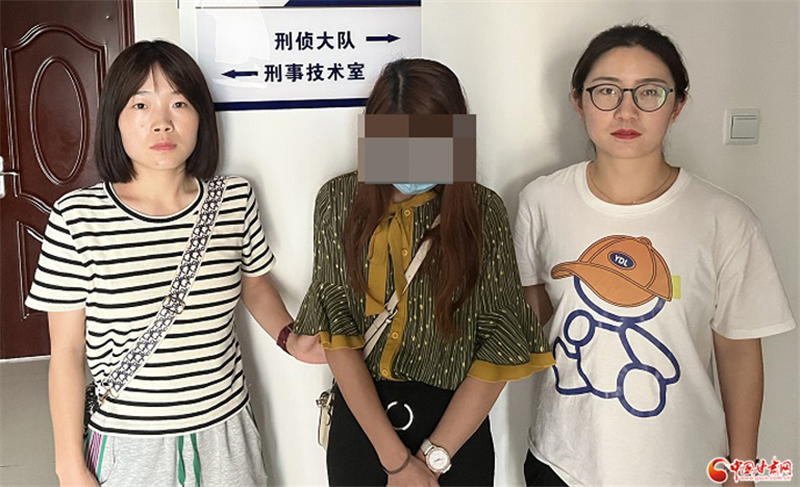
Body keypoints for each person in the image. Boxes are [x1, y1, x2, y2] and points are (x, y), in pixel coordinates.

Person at [25, 40, 322, 487]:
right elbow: (66, 353)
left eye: (179, 103)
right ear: (115, 119)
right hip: (128, 444)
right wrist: (69, 466)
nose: (162, 121)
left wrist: (290, 338)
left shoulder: (234, 199)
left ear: (201, 115)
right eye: (141, 104)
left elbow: (254, 283)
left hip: (225, 429)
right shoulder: (77, 218)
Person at [514, 24, 796, 486]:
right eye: (606, 90)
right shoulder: (540, 201)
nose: (626, 110)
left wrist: (743, 471)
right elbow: (531, 319)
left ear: (676, 105)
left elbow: (739, 354)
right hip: (563, 463)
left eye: (649, 92)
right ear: (578, 101)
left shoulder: (725, 220)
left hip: (684, 466)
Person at [295, 58, 554, 487]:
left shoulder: (482, 210)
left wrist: (433, 459)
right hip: (364, 426)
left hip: (456, 429)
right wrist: (397, 463)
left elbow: (498, 343)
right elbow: (338, 330)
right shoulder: (338, 201)